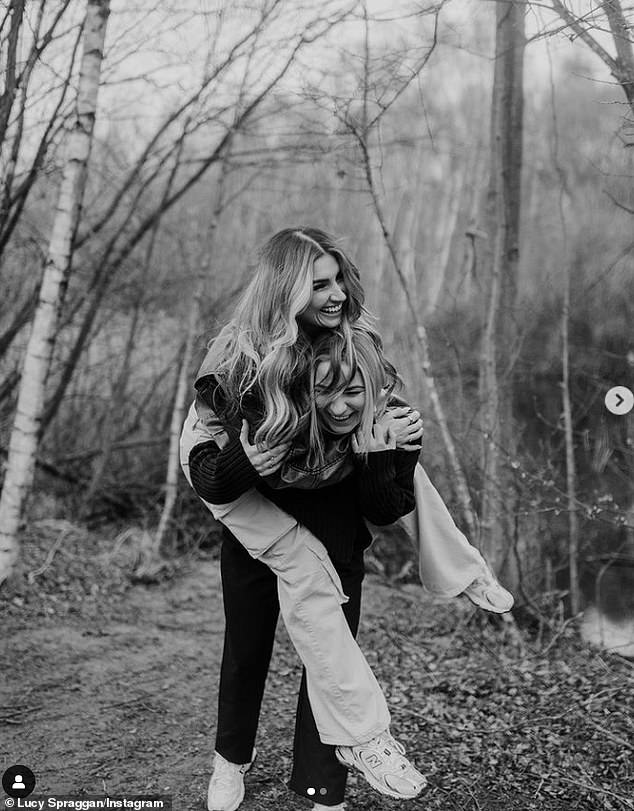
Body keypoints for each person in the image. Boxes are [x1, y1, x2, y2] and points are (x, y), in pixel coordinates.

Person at [184, 323, 426, 811]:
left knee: (328, 669)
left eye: (354, 392)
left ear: (374, 387)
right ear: (304, 389)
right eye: (325, 392)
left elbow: (386, 509)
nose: (340, 407)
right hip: (259, 545)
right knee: (245, 654)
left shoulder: (394, 423)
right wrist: (246, 459)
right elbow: (213, 479)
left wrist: (375, 455)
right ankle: (230, 761)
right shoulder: (273, 412)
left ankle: (323, 792)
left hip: (337, 553)